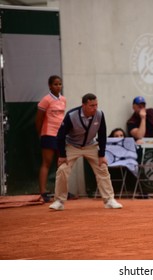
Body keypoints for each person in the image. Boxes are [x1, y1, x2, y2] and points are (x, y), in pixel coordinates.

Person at [49, 93, 122, 210]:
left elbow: (102, 134)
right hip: (72, 145)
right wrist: (62, 155)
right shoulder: (71, 115)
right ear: (83, 105)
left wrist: (102, 155)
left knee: (102, 167)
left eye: (96, 105)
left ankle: (109, 200)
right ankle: (59, 201)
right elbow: (60, 136)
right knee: (62, 170)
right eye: (91, 105)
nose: (95, 108)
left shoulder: (99, 114)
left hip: (90, 145)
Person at [35, 75, 66, 203]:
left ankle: (62, 192)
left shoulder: (63, 99)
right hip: (48, 134)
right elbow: (38, 119)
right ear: (49, 86)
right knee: (47, 163)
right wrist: (40, 134)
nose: (58, 86)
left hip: (61, 135)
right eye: (55, 84)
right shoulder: (46, 100)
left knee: (63, 163)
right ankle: (43, 192)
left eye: (60, 84)